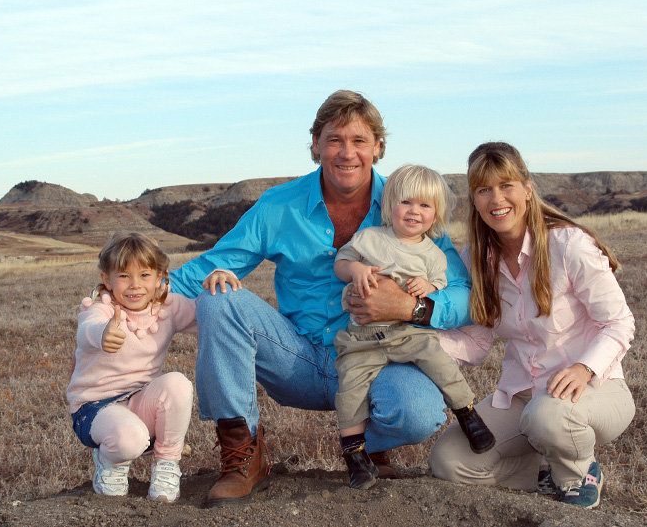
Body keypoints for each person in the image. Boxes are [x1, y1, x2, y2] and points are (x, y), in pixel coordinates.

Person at [168, 90, 472, 508]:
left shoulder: (411, 204)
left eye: (360, 140)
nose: (347, 153)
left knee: (420, 411)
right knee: (219, 298)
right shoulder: (279, 204)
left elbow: (461, 292)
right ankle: (243, 455)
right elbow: (212, 265)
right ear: (315, 145)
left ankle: (364, 446)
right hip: (299, 359)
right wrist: (129, 292)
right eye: (334, 140)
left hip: (380, 357)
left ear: (379, 147)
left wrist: (412, 308)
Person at [428, 142, 636, 509]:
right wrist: (417, 344)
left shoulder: (569, 244)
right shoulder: (474, 259)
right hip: (522, 395)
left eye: (506, 185)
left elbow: (619, 323)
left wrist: (584, 368)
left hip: (594, 389)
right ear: (474, 200)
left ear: (527, 188)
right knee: (449, 460)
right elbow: (476, 342)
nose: (497, 198)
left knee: (549, 416)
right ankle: (546, 473)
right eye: (484, 189)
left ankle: (578, 476)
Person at [333, 164, 494, 490]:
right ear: (390, 203)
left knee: (439, 361)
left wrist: (427, 286)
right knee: (349, 390)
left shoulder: (435, 254)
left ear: (436, 214)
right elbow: (341, 263)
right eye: (406, 202)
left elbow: (443, 286)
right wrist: (355, 270)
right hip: (361, 337)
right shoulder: (369, 238)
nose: (414, 212)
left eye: (425, 205)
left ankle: (468, 414)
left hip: (407, 332)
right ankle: (355, 457)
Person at [68, 232, 237, 502]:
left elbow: (207, 315)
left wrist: (218, 279)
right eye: (123, 276)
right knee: (130, 439)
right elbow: (87, 330)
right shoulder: (101, 310)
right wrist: (102, 335)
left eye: (145, 275)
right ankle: (109, 461)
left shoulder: (166, 307)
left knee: (178, 384)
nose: (135, 285)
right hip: (95, 409)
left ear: (159, 277)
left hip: (139, 401)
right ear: (107, 280)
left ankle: (167, 465)